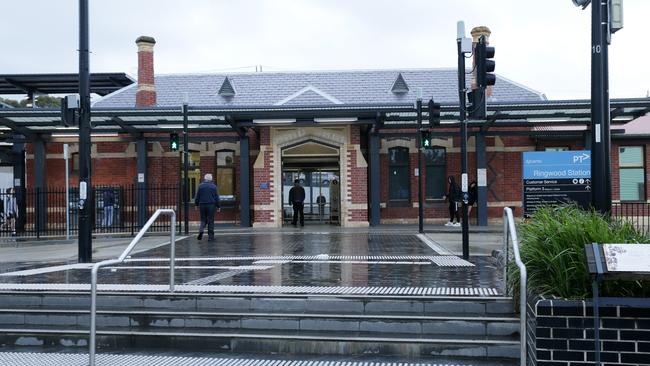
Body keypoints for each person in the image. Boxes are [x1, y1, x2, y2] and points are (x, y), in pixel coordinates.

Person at [194, 173, 220, 241]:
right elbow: (217, 197)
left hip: (202, 204)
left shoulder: (200, 186)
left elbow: (197, 196)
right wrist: (218, 206)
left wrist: (196, 204)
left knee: (203, 219)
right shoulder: (214, 186)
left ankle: (201, 231)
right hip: (211, 205)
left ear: (205, 179)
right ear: (211, 179)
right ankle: (210, 237)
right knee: (210, 220)